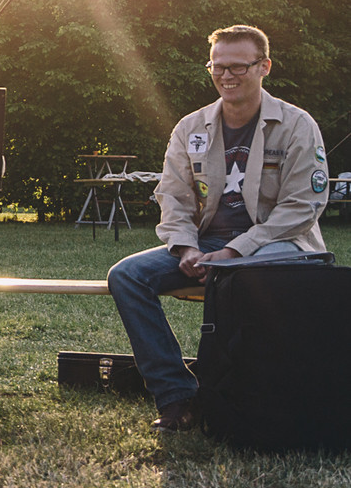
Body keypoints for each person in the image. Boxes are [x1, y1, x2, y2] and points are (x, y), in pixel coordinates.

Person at [107, 25, 327, 432]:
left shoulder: (297, 125)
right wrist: (185, 248)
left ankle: (245, 396)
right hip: (207, 244)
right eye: (217, 66)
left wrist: (235, 251)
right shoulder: (190, 128)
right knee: (127, 276)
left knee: (236, 277)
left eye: (239, 67)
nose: (227, 76)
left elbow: (302, 207)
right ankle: (178, 399)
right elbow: (172, 197)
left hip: (279, 245)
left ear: (264, 67)